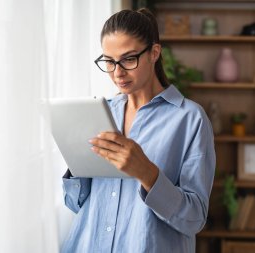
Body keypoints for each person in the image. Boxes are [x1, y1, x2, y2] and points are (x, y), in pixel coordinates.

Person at [61, 8, 215, 253]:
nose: (117, 72)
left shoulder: (190, 119)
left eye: (128, 59)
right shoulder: (101, 114)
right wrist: (76, 161)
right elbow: (74, 203)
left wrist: (146, 173)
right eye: (109, 61)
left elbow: (194, 219)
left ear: (154, 53)